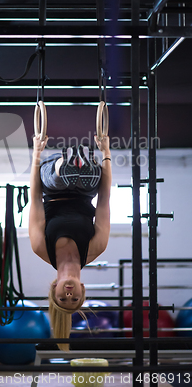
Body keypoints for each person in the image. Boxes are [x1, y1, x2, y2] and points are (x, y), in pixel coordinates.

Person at [29, 134, 112, 350]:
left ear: (53, 289)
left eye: (62, 299)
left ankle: (65, 165)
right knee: (93, 179)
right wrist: (106, 153)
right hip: (85, 193)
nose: (68, 295)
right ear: (82, 289)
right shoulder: (95, 248)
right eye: (74, 299)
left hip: (52, 189)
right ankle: (80, 165)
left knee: (56, 178)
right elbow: (104, 200)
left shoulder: (41, 248)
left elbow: (35, 199)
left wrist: (37, 153)